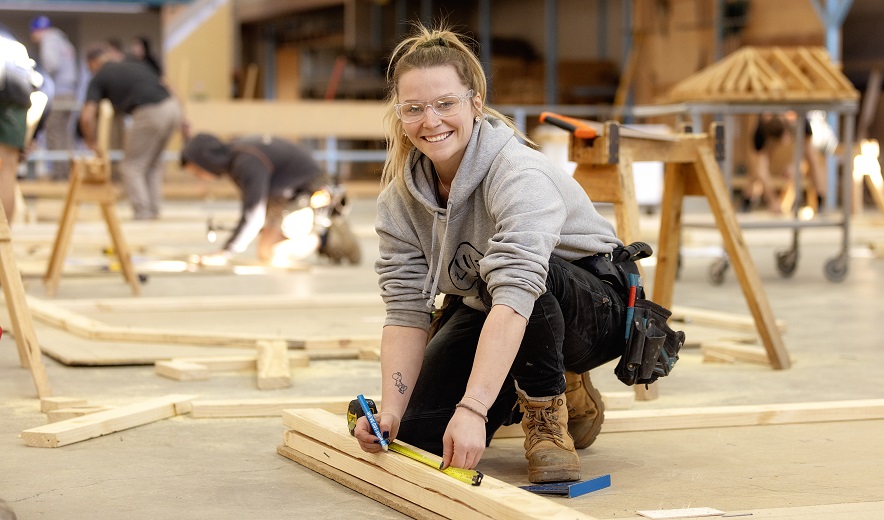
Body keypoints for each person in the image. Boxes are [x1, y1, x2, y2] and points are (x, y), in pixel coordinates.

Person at [353, 24, 683, 484]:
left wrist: (472, 407)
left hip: (593, 309)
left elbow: (517, 287)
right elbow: (406, 311)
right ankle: (549, 385)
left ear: (475, 102)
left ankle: (549, 416)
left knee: (522, 275)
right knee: (418, 437)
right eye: (415, 109)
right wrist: (390, 410)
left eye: (446, 104)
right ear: (401, 114)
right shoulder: (398, 203)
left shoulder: (519, 174)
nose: (431, 122)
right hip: (489, 303)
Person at [180, 132, 361, 266]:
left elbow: (253, 215)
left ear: (206, 160)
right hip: (288, 197)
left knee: (273, 253)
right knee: (265, 251)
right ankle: (316, 233)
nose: (201, 177)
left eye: (198, 171)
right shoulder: (238, 155)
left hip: (310, 192)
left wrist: (224, 253)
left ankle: (326, 237)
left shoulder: (246, 162)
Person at [79, 42, 182, 220]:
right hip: (172, 108)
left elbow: (87, 117)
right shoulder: (135, 65)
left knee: (131, 166)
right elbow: (169, 87)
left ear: (93, 62)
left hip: (150, 112)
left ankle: (142, 212)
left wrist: (91, 142)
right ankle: (154, 210)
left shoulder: (100, 76)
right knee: (152, 163)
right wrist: (184, 120)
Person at [741, 112, 827, 213]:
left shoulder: (796, 119)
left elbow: (806, 152)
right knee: (757, 167)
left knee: (812, 158)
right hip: (770, 127)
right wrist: (772, 200)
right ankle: (747, 198)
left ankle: (820, 198)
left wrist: (796, 166)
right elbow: (760, 169)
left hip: (793, 120)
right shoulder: (762, 129)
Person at [1, 24, 44, 223]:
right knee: (7, 169)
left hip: (11, 95)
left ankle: (3, 237)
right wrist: (30, 136)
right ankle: (4, 238)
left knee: (6, 168)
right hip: (18, 100)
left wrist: (30, 137)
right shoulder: (15, 46)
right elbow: (45, 93)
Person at [28, 15, 78, 180]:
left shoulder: (49, 39)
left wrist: (37, 79)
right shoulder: (62, 39)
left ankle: (59, 174)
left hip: (58, 94)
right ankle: (69, 172)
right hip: (69, 93)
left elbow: (52, 64)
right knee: (64, 133)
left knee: (54, 132)